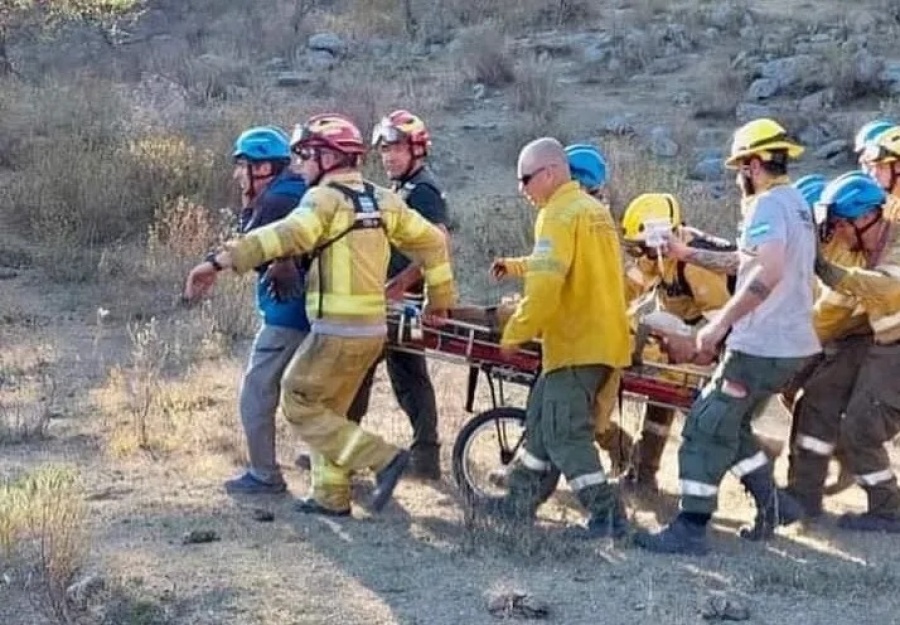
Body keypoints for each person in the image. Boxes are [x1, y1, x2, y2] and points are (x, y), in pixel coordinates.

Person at [182, 113, 458, 517]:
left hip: (335, 331)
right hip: (373, 331)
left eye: (306, 156)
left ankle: (382, 459)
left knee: (299, 400)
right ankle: (330, 496)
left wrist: (216, 262)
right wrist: (440, 299)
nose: (299, 165)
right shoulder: (383, 198)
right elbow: (434, 242)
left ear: (329, 158)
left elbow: (284, 235)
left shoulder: (323, 199)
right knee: (329, 413)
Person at [634, 118, 818, 555]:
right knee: (732, 426)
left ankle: (690, 526)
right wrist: (687, 253)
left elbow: (766, 272)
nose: (738, 178)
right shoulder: (795, 203)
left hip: (762, 344)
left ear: (754, 165)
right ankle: (776, 506)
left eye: (740, 169)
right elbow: (746, 260)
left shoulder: (766, 206)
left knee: (704, 426)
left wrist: (718, 327)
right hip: (792, 343)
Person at [486, 137, 633, 538]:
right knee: (540, 420)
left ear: (550, 173)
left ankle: (608, 516)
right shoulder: (592, 211)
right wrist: (515, 265)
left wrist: (516, 332)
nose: (522, 188)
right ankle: (519, 501)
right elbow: (561, 264)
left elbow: (546, 286)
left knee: (565, 433)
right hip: (600, 338)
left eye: (525, 179)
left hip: (577, 344)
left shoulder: (557, 214)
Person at [343, 109, 449, 480]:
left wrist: (400, 284)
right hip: (395, 303)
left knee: (360, 371)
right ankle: (425, 458)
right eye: (385, 149)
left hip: (402, 305)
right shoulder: (406, 187)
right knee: (408, 377)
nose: (388, 156)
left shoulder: (423, 191)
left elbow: (438, 245)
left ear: (417, 149)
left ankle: (344, 454)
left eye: (397, 148)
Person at [616, 192, 735, 493]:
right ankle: (644, 474)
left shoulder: (695, 265)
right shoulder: (658, 254)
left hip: (722, 343)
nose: (639, 253)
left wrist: (689, 347)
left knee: (706, 417)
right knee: (663, 395)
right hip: (689, 337)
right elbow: (628, 289)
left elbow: (722, 322)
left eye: (642, 245)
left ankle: (759, 463)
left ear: (659, 237)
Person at [221, 126, 310, 495]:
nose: (237, 174)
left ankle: (264, 474)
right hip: (314, 313)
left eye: (242, 165)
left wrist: (208, 267)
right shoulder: (296, 191)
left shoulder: (276, 201)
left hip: (287, 315)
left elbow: (247, 248)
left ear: (262, 167)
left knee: (256, 393)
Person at [814, 167, 900, 533]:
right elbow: (832, 312)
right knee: (858, 425)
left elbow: (886, 287)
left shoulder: (895, 246)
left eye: (842, 224)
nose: (838, 233)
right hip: (887, 349)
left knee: (862, 428)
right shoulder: (867, 251)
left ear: (865, 218)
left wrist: (828, 271)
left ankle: (888, 510)